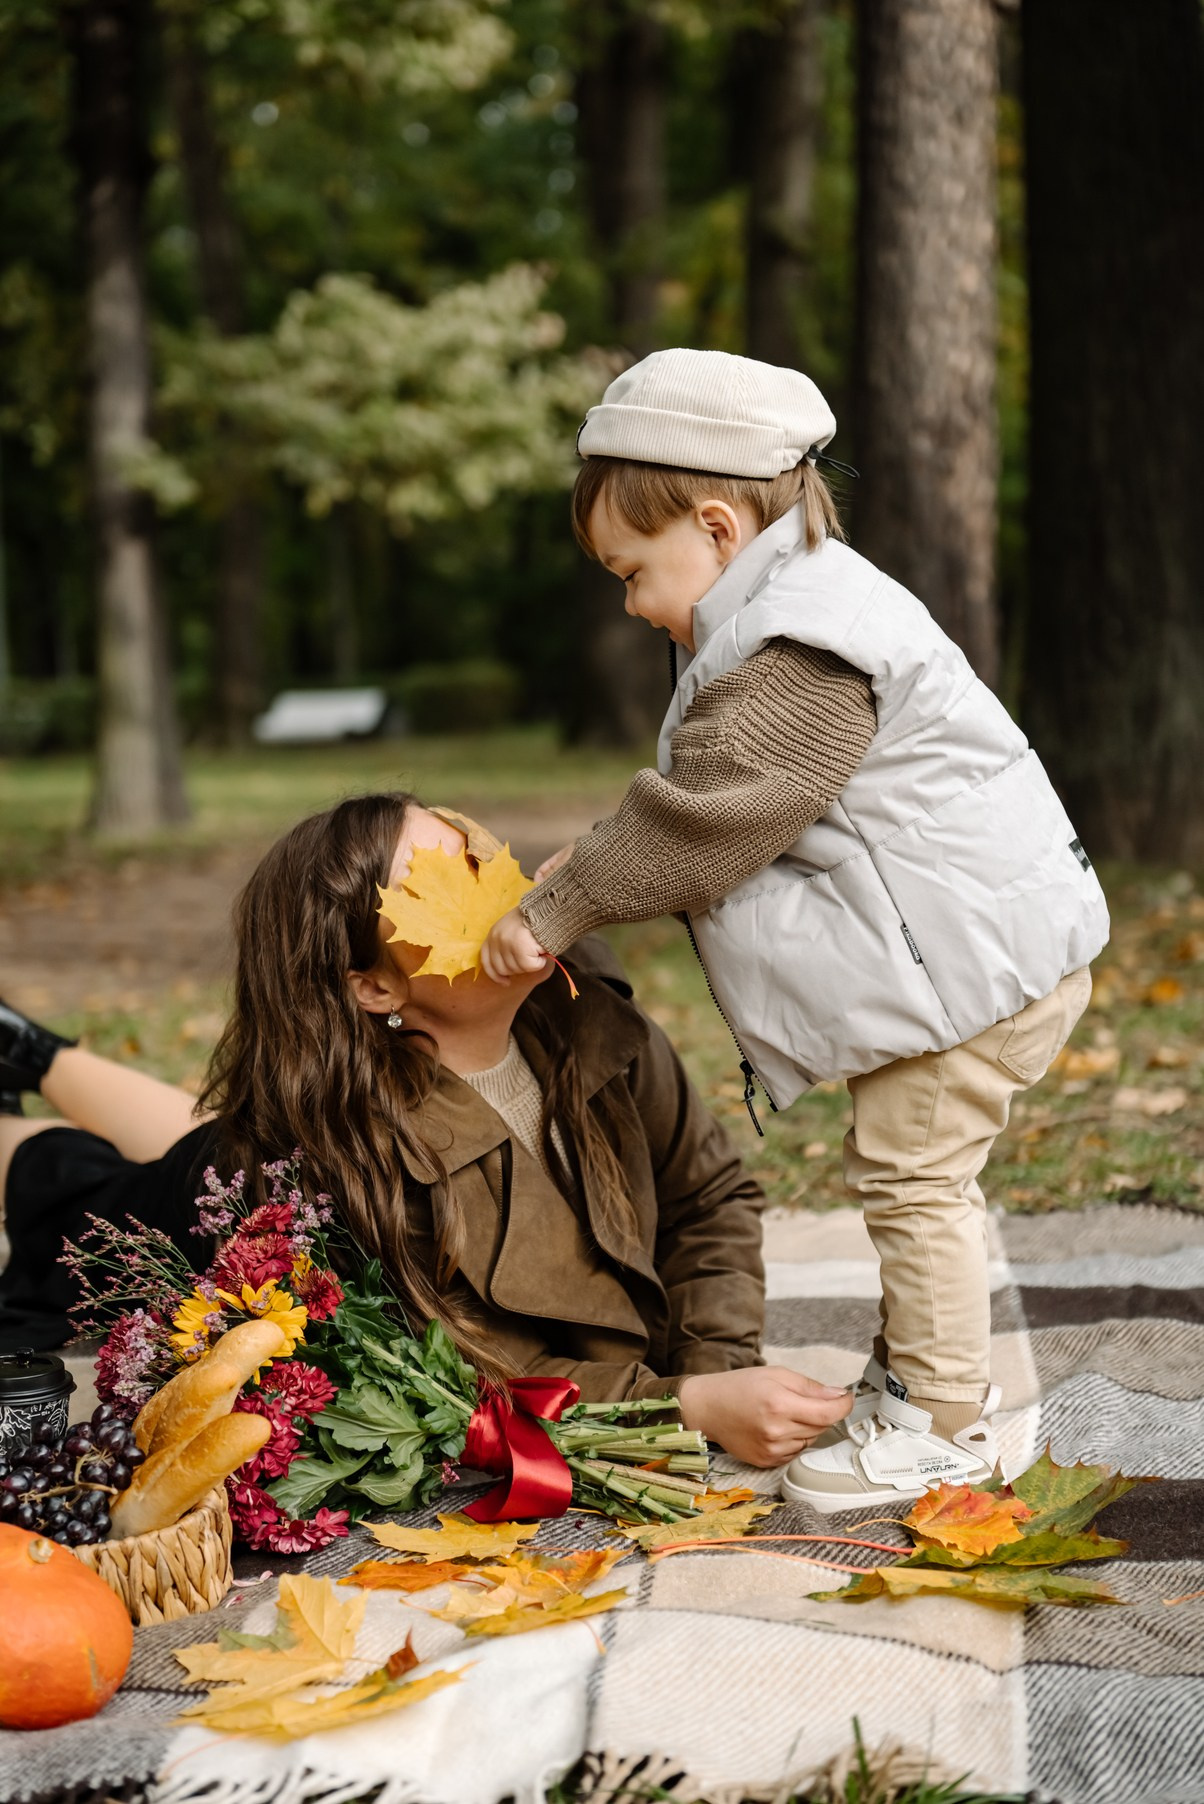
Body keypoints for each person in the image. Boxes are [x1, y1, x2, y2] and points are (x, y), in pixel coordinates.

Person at [481, 348, 1110, 1512]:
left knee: (914, 1177)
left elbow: (714, 815)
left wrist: (559, 904)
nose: (628, 602)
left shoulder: (800, 640)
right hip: (968, 953)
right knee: (909, 1171)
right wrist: (601, 854)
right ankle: (923, 1382)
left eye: (631, 570)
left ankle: (940, 1422)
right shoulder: (785, 608)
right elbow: (707, 797)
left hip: (973, 969)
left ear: (717, 527)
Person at [0, 791, 851, 1470]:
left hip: (245, 1141)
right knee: (72, 1184)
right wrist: (686, 1409)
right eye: (443, 883)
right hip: (202, 1207)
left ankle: (30, 1050)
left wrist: (714, 1369)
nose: (499, 885)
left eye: (476, 852)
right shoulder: (341, 1171)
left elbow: (706, 1195)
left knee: (205, 1134)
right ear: (374, 987)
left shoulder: (587, 1014)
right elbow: (465, 1383)